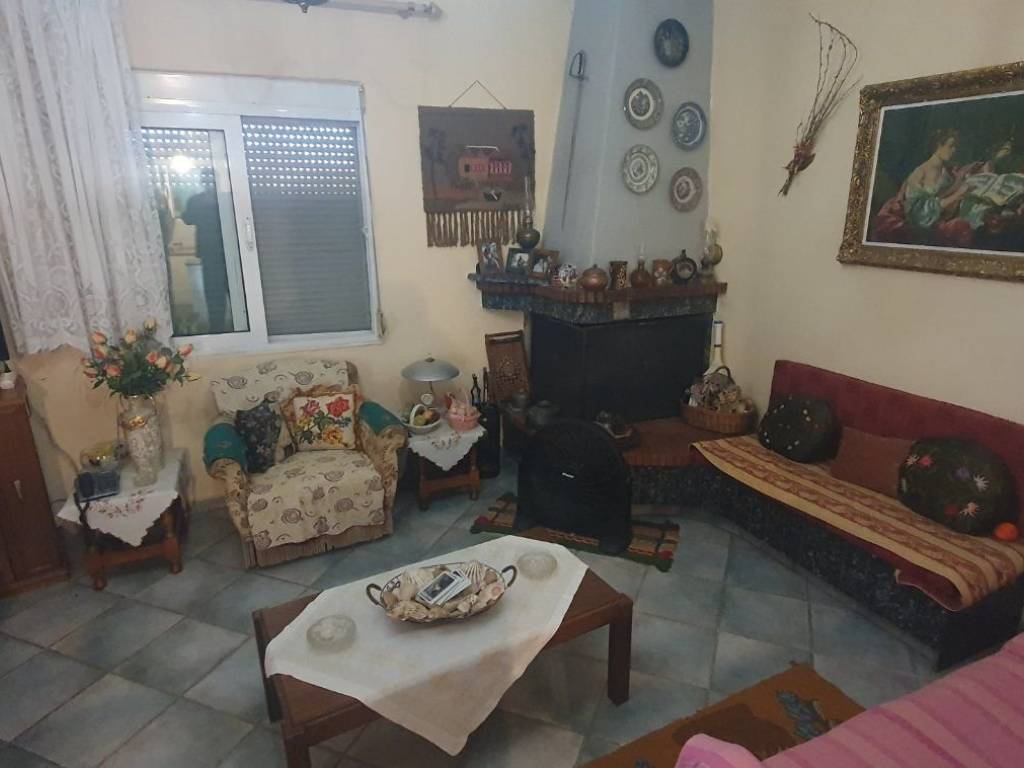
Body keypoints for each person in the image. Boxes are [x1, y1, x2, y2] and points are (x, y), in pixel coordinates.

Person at [871, 128, 973, 247]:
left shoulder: (948, 171)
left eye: (956, 146)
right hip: (923, 226)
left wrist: (960, 184)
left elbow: (943, 195)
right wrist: (957, 194)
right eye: (951, 146)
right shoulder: (920, 172)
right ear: (938, 145)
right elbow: (919, 214)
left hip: (944, 217)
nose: (954, 150)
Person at [181, 171, 231, 334]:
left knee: (237, 292)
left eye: (212, 180)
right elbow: (187, 219)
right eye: (207, 180)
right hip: (210, 254)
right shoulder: (196, 200)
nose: (210, 183)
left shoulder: (228, 198)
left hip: (231, 253)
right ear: (203, 181)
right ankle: (217, 329)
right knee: (214, 294)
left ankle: (243, 327)